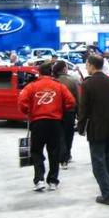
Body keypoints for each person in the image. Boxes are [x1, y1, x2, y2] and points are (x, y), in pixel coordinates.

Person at [18, 62, 76, 191]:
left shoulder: (31, 86)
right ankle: (53, 181)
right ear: (51, 73)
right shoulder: (59, 86)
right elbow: (71, 101)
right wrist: (61, 109)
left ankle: (39, 180)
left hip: (38, 123)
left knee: (37, 151)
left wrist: (28, 111)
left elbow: (22, 101)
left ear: (39, 73)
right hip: (55, 123)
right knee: (54, 151)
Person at [78, 53, 109, 205]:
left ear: (92, 65)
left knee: (98, 161)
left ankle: (107, 194)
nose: (86, 67)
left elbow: (84, 109)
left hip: (97, 128)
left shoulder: (88, 84)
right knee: (108, 156)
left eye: (87, 64)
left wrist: (80, 127)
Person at [53, 60, 80, 169]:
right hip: (70, 112)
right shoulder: (72, 81)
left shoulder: (53, 81)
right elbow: (77, 98)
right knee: (69, 134)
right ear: (64, 69)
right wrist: (79, 113)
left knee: (60, 135)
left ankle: (62, 157)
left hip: (56, 113)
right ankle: (66, 155)